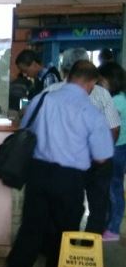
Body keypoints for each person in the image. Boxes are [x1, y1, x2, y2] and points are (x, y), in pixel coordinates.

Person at [1, 60, 114, 267]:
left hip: (38, 173)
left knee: (31, 228)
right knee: (63, 235)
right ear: (91, 83)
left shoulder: (43, 99)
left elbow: (26, 127)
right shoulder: (90, 112)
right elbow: (102, 156)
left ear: (69, 77)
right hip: (70, 180)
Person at [50, 48, 119, 234]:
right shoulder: (101, 94)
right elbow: (113, 128)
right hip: (96, 161)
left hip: (65, 161)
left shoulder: (52, 91)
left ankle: (64, 242)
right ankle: (90, 244)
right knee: (98, 206)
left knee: (67, 205)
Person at [98, 61, 126, 241]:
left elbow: (106, 124)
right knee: (111, 189)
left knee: (114, 190)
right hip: (116, 147)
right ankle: (109, 224)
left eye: (101, 81)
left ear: (112, 80)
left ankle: (114, 229)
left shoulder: (117, 101)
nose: (99, 85)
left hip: (117, 149)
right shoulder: (118, 98)